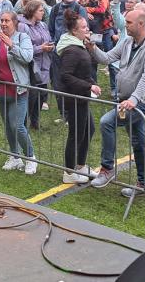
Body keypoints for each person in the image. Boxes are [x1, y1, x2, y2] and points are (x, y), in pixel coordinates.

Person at [88, 8, 145, 196]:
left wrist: (134, 99)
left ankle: (107, 169)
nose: (124, 25)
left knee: (106, 122)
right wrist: (92, 48)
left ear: (141, 24)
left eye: (128, 22)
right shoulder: (128, 41)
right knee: (138, 141)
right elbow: (107, 58)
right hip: (125, 101)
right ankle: (143, 182)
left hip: (141, 102)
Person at [0, 11, 37, 174]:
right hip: (1, 89)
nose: (4, 24)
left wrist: (11, 45)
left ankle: (30, 157)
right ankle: (15, 157)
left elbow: (27, 57)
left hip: (19, 89)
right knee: (8, 125)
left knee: (17, 125)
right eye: (2, 21)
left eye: (7, 21)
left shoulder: (22, 38)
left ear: (15, 23)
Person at [56, 10, 102, 184]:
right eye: (83, 27)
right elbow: (65, 75)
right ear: (74, 31)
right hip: (73, 98)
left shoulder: (79, 45)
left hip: (82, 97)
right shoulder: (72, 50)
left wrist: (90, 83)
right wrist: (89, 85)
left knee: (88, 129)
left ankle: (81, 165)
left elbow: (82, 71)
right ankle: (68, 172)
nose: (87, 29)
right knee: (76, 134)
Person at [18, 0, 53, 129]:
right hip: (31, 66)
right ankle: (23, 123)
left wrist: (50, 46)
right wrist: (40, 48)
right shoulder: (23, 26)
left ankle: (35, 121)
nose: (43, 13)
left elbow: (48, 39)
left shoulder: (42, 24)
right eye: (41, 10)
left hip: (44, 64)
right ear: (32, 11)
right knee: (31, 96)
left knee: (42, 94)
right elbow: (22, 48)